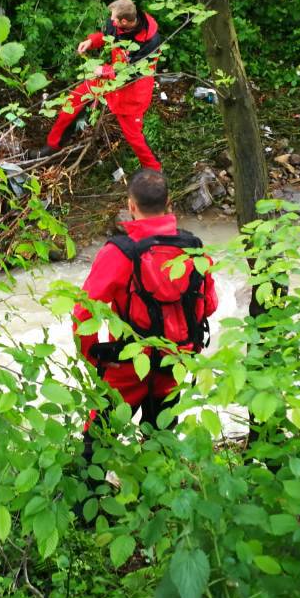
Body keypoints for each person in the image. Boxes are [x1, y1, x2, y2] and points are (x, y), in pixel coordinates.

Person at [73, 169, 218, 462]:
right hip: (174, 362)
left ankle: (89, 500)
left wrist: (93, 357)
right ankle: (156, 498)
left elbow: (84, 312)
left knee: (96, 441)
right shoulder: (194, 250)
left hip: (126, 364)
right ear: (169, 204)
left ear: (130, 206)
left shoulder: (119, 253)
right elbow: (209, 305)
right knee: (161, 437)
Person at [36, 0, 164, 170]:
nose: (110, 20)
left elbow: (133, 73)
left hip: (132, 91)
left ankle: (154, 170)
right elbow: (106, 36)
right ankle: (52, 147)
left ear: (124, 21)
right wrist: (91, 41)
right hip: (105, 79)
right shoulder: (117, 21)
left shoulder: (151, 41)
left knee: (134, 136)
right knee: (73, 102)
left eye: (114, 19)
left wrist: (105, 71)